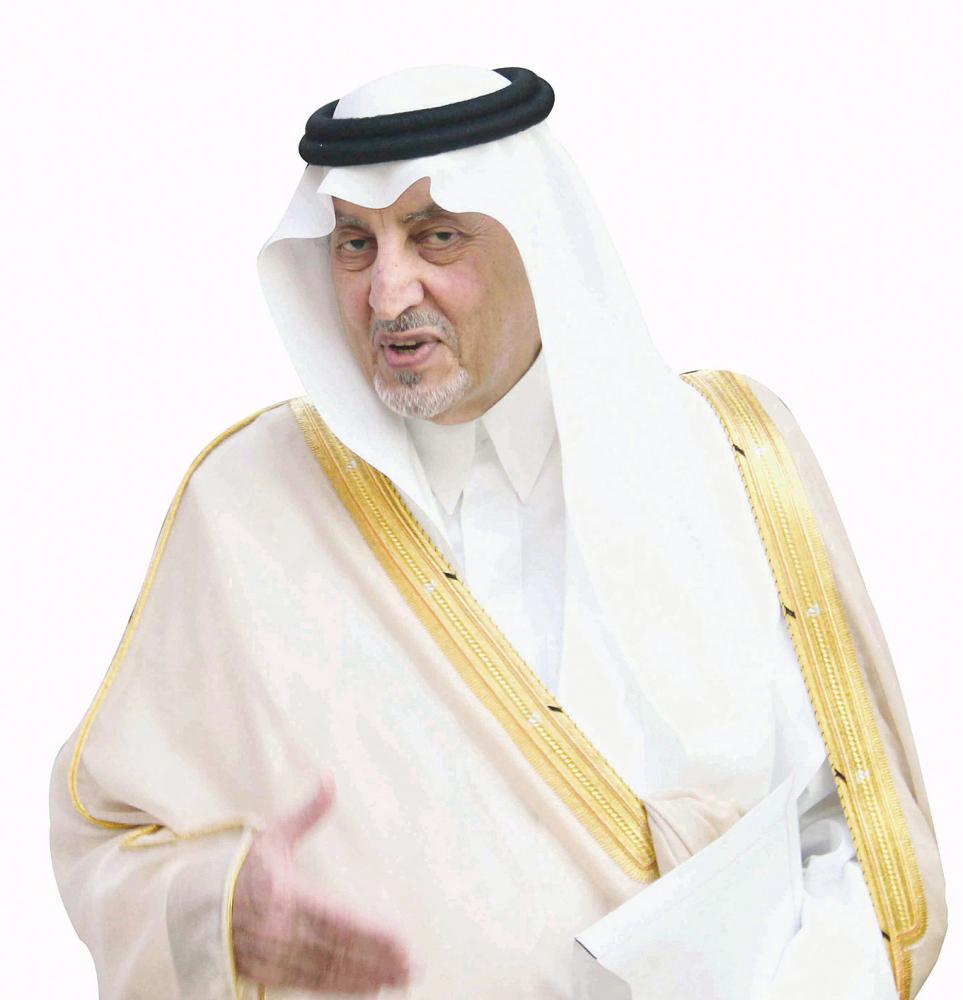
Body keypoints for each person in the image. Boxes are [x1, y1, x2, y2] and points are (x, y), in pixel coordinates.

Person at [49, 65, 946, 999]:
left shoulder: (726, 454)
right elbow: (109, 837)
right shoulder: (250, 501)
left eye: (436, 235)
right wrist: (216, 912)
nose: (387, 294)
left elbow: (854, 832)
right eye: (354, 243)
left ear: (538, 239)